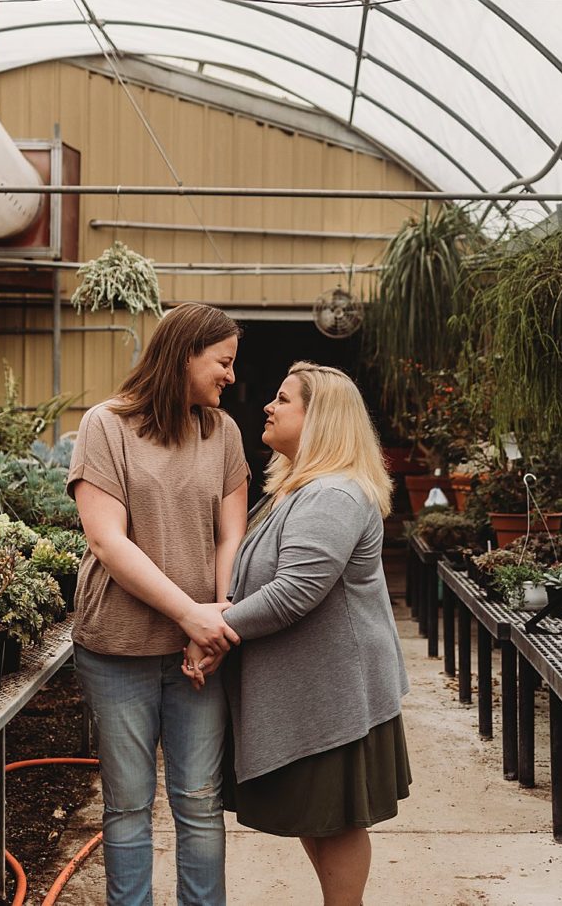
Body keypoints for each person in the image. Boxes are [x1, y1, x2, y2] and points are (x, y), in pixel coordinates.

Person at [188, 361, 411, 906]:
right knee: (321, 819)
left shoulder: (332, 495)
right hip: (317, 696)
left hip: (335, 702)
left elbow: (293, 594)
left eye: (283, 399)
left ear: (321, 420)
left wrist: (212, 625)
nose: (268, 405)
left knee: (334, 824)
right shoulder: (299, 490)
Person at [68, 302, 249, 906]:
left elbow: (231, 535)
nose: (230, 375)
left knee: (199, 800)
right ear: (184, 355)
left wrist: (217, 616)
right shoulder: (106, 426)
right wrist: (189, 613)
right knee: (126, 804)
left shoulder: (222, 432)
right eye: (222, 362)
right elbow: (106, 538)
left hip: (198, 652)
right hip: (116, 647)